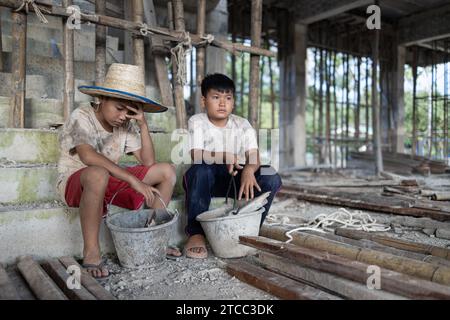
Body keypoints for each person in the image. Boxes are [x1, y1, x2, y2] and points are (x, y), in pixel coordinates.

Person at [56, 63, 180, 279]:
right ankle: (91, 252)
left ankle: (155, 238)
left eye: (129, 111)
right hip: (77, 182)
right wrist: (133, 180)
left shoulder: (127, 125)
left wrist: (142, 125)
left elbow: (149, 162)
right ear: (102, 99)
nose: (123, 116)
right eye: (119, 108)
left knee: (167, 171)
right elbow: (88, 157)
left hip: (109, 180)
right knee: (98, 173)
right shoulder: (82, 115)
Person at [183, 73, 282, 259]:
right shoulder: (197, 121)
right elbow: (196, 154)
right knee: (200, 167)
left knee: (271, 176)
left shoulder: (242, 124)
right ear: (204, 101)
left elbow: (253, 155)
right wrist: (224, 156)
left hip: (236, 179)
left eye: (228, 98)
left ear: (233, 102)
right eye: (216, 97)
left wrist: (249, 170)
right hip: (207, 179)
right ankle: (196, 234)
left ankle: (250, 229)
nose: (222, 103)